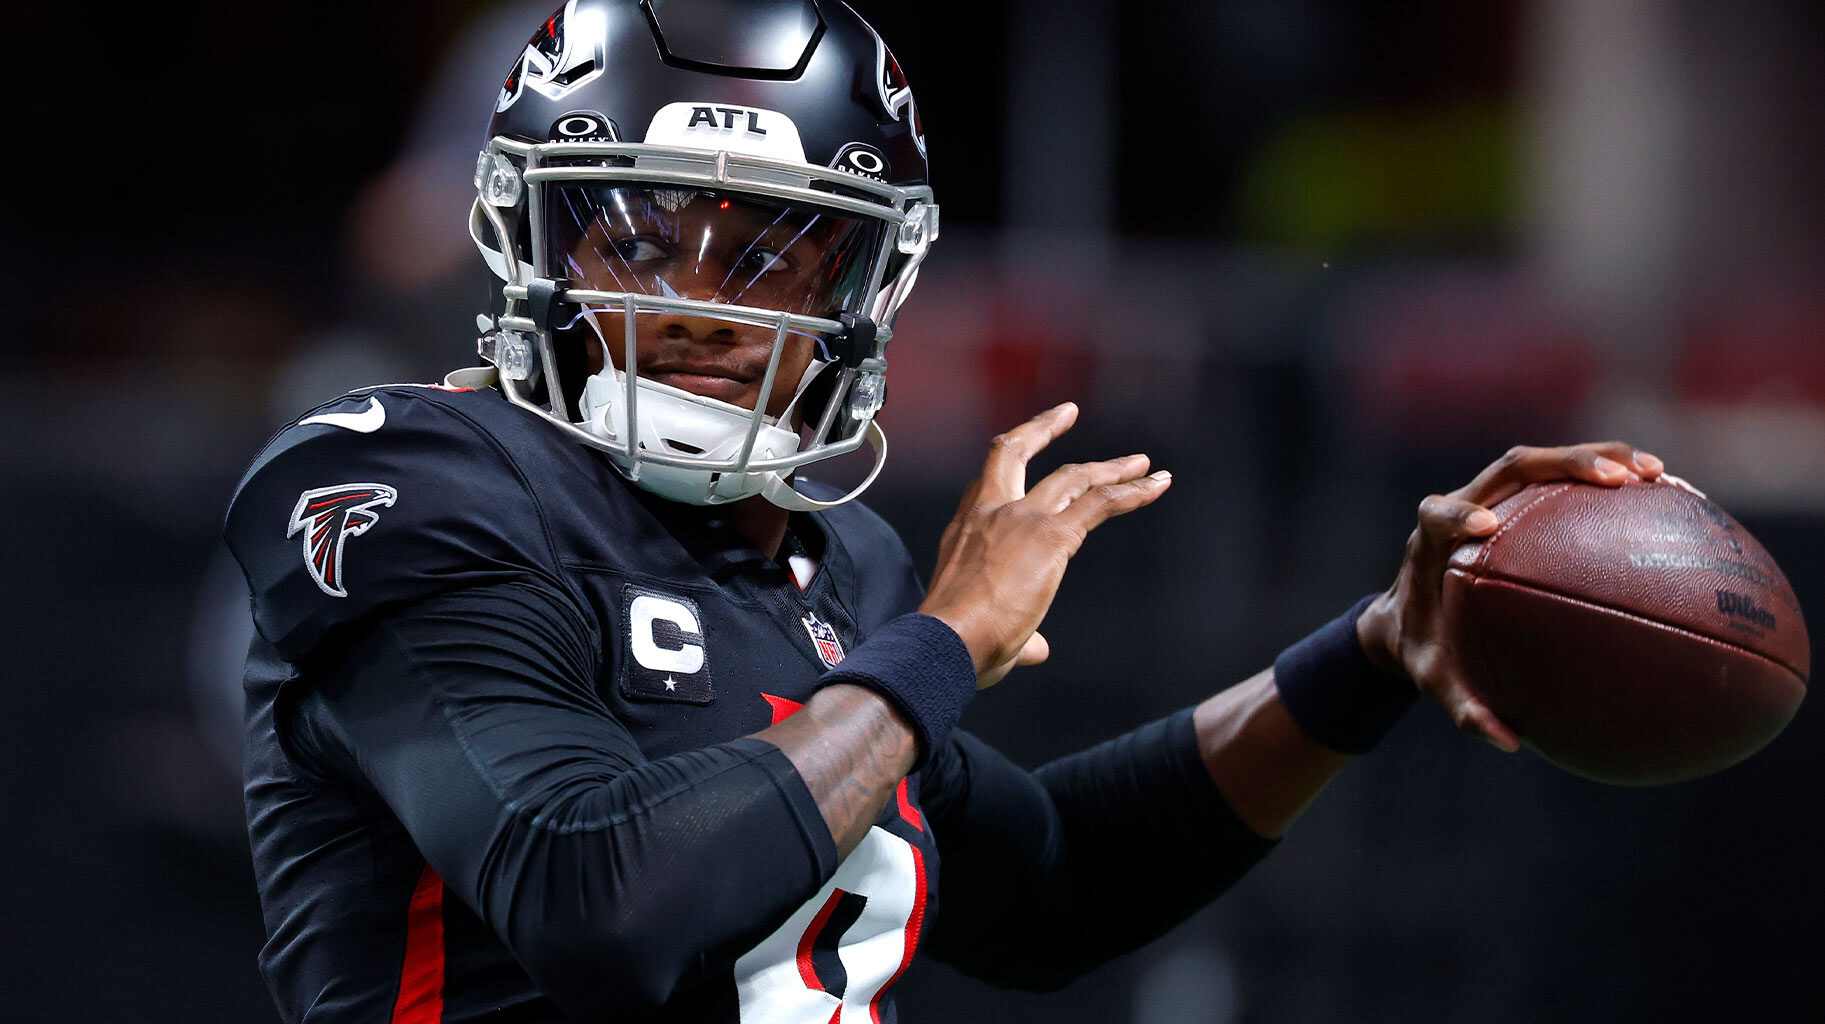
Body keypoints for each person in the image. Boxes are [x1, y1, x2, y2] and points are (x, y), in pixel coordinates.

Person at [223, 1, 1669, 1021]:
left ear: (865, 290)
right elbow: (598, 906)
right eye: (641, 232)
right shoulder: (405, 482)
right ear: (526, 233)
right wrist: (937, 649)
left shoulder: (829, 556)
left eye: (779, 255)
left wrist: (1364, 656)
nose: (701, 302)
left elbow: (1050, 890)